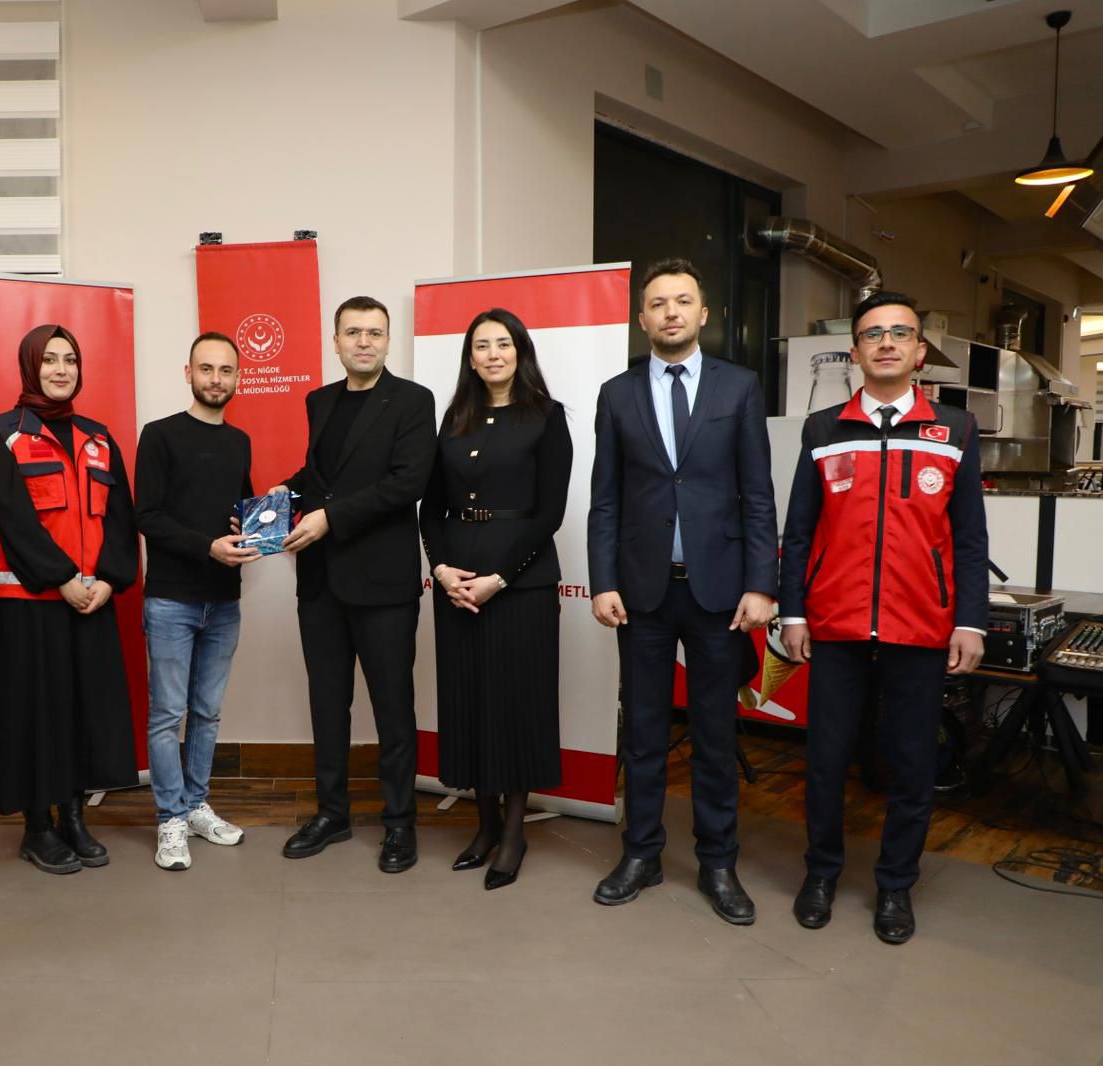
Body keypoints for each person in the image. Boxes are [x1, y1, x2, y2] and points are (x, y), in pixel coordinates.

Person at [779, 290, 987, 945]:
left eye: (901, 333)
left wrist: (971, 620)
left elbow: (970, 537)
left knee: (910, 763)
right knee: (825, 760)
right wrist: (792, 612)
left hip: (920, 625)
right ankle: (821, 874)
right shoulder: (823, 429)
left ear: (920, 351)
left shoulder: (954, 429)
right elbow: (799, 530)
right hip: (835, 624)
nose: (887, 343)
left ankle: (896, 885)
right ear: (856, 352)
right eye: (874, 334)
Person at [586, 258, 776, 924]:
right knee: (642, 734)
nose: (671, 312)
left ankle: (718, 863)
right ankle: (641, 854)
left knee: (715, 736)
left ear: (703, 313)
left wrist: (762, 583)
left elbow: (758, 493)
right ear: (642, 318)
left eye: (683, 300)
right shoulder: (616, 394)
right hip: (641, 593)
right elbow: (605, 499)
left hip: (719, 592)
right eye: (658, 303)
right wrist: (603, 580)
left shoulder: (739, 387)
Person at [272, 296, 437, 873]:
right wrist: (281, 497)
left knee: (393, 708)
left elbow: (408, 483)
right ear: (336, 341)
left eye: (375, 332)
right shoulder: (319, 400)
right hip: (321, 582)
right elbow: (319, 477)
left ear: (388, 341)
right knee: (327, 705)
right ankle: (332, 814)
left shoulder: (413, 400)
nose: (364, 341)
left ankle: (400, 824)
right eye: (353, 332)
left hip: (383, 583)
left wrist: (329, 518)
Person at [419, 308, 573, 890]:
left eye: (502, 344)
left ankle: (513, 833)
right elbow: (430, 506)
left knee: (516, 703)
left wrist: (500, 577)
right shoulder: (455, 417)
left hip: (520, 584)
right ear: (470, 357)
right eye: (481, 346)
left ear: (520, 351)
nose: (492, 354)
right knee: (470, 701)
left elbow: (550, 513)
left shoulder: (547, 417)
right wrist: (440, 568)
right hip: (457, 581)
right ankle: (483, 825)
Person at [0, 323, 139, 875]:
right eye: (49, 359)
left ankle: (73, 817)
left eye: (70, 359)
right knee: (37, 718)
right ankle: (37, 829)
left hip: (93, 601)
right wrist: (62, 578)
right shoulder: (3, 433)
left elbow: (121, 518)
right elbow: (14, 518)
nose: (61, 369)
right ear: (31, 366)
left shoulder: (99, 437)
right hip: (35, 602)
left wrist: (109, 580)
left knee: (81, 714)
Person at [134, 331, 260, 871]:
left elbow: (239, 509)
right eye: (206, 369)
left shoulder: (239, 441)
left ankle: (194, 805)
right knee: (168, 715)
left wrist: (252, 528)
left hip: (224, 601)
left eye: (226, 370)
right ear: (188, 373)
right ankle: (170, 818)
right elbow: (147, 516)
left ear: (238, 378)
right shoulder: (159, 435)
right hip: (171, 599)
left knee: (207, 713)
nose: (216, 379)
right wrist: (208, 545)